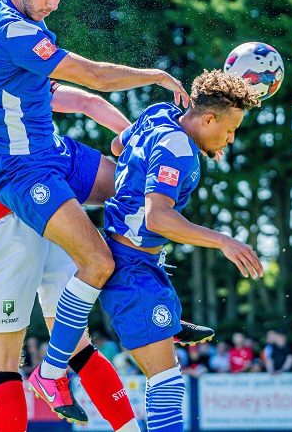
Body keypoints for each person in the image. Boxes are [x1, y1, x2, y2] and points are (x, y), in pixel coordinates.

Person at [0, 18, 206, 430]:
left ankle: (54, 379)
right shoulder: (4, 72)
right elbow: (89, 102)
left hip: (7, 224)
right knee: (78, 342)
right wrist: (144, 139)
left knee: (2, 362)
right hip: (58, 210)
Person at [0, 0, 192, 422]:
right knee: (97, 261)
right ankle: (51, 370)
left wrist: (129, 133)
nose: (54, 4)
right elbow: (91, 76)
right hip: (22, 171)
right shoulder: (13, 27)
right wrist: (155, 75)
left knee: (139, 186)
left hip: (54, 153)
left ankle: (150, 292)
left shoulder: (13, 15)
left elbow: (71, 92)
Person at [100, 69, 263, 431]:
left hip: (136, 263)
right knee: (166, 381)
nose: (231, 138)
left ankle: (173, 323)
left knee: (166, 378)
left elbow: (118, 146)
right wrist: (222, 240)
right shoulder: (179, 149)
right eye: (229, 129)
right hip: (131, 271)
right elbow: (158, 218)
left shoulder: (160, 113)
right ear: (207, 119)